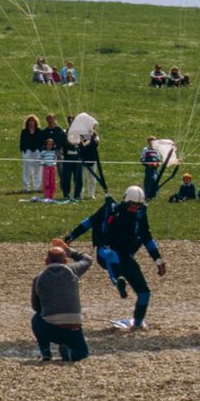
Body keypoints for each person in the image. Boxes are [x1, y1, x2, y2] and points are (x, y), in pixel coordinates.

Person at [64, 185, 167, 330]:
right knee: (112, 255)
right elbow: (89, 222)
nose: (134, 209)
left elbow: (147, 239)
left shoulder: (140, 215)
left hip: (125, 258)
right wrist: (70, 237)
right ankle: (117, 280)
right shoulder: (109, 209)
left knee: (144, 293)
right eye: (132, 206)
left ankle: (137, 324)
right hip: (105, 254)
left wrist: (158, 259)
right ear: (125, 202)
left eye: (137, 207)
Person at [31, 239, 93, 362]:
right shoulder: (72, 270)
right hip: (74, 325)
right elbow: (87, 260)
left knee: (36, 319)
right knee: (82, 353)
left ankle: (46, 352)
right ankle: (70, 351)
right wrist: (67, 249)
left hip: (51, 327)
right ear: (65, 261)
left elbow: (35, 306)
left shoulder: (38, 278)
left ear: (46, 262)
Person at [61, 117, 83, 201]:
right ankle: (66, 194)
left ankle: (77, 195)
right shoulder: (65, 132)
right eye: (70, 122)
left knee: (78, 178)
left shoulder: (81, 132)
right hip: (68, 157)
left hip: (77, 157)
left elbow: (88, 139)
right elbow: (62, 142)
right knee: (67, 177)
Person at [20, 114, 42, 192]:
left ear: (35, 122)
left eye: (32, 121)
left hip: (37, 152)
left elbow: (41, 142)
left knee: (37, 170)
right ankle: (26, 187)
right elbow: (21, 142)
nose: (31, 123)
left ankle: (37, 187)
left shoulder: (39, 131)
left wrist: (40, 151)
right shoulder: (24, 131)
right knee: (26, 170)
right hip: (27, 152)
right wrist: (23, 151)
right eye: (30, 121)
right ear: (27, 122)